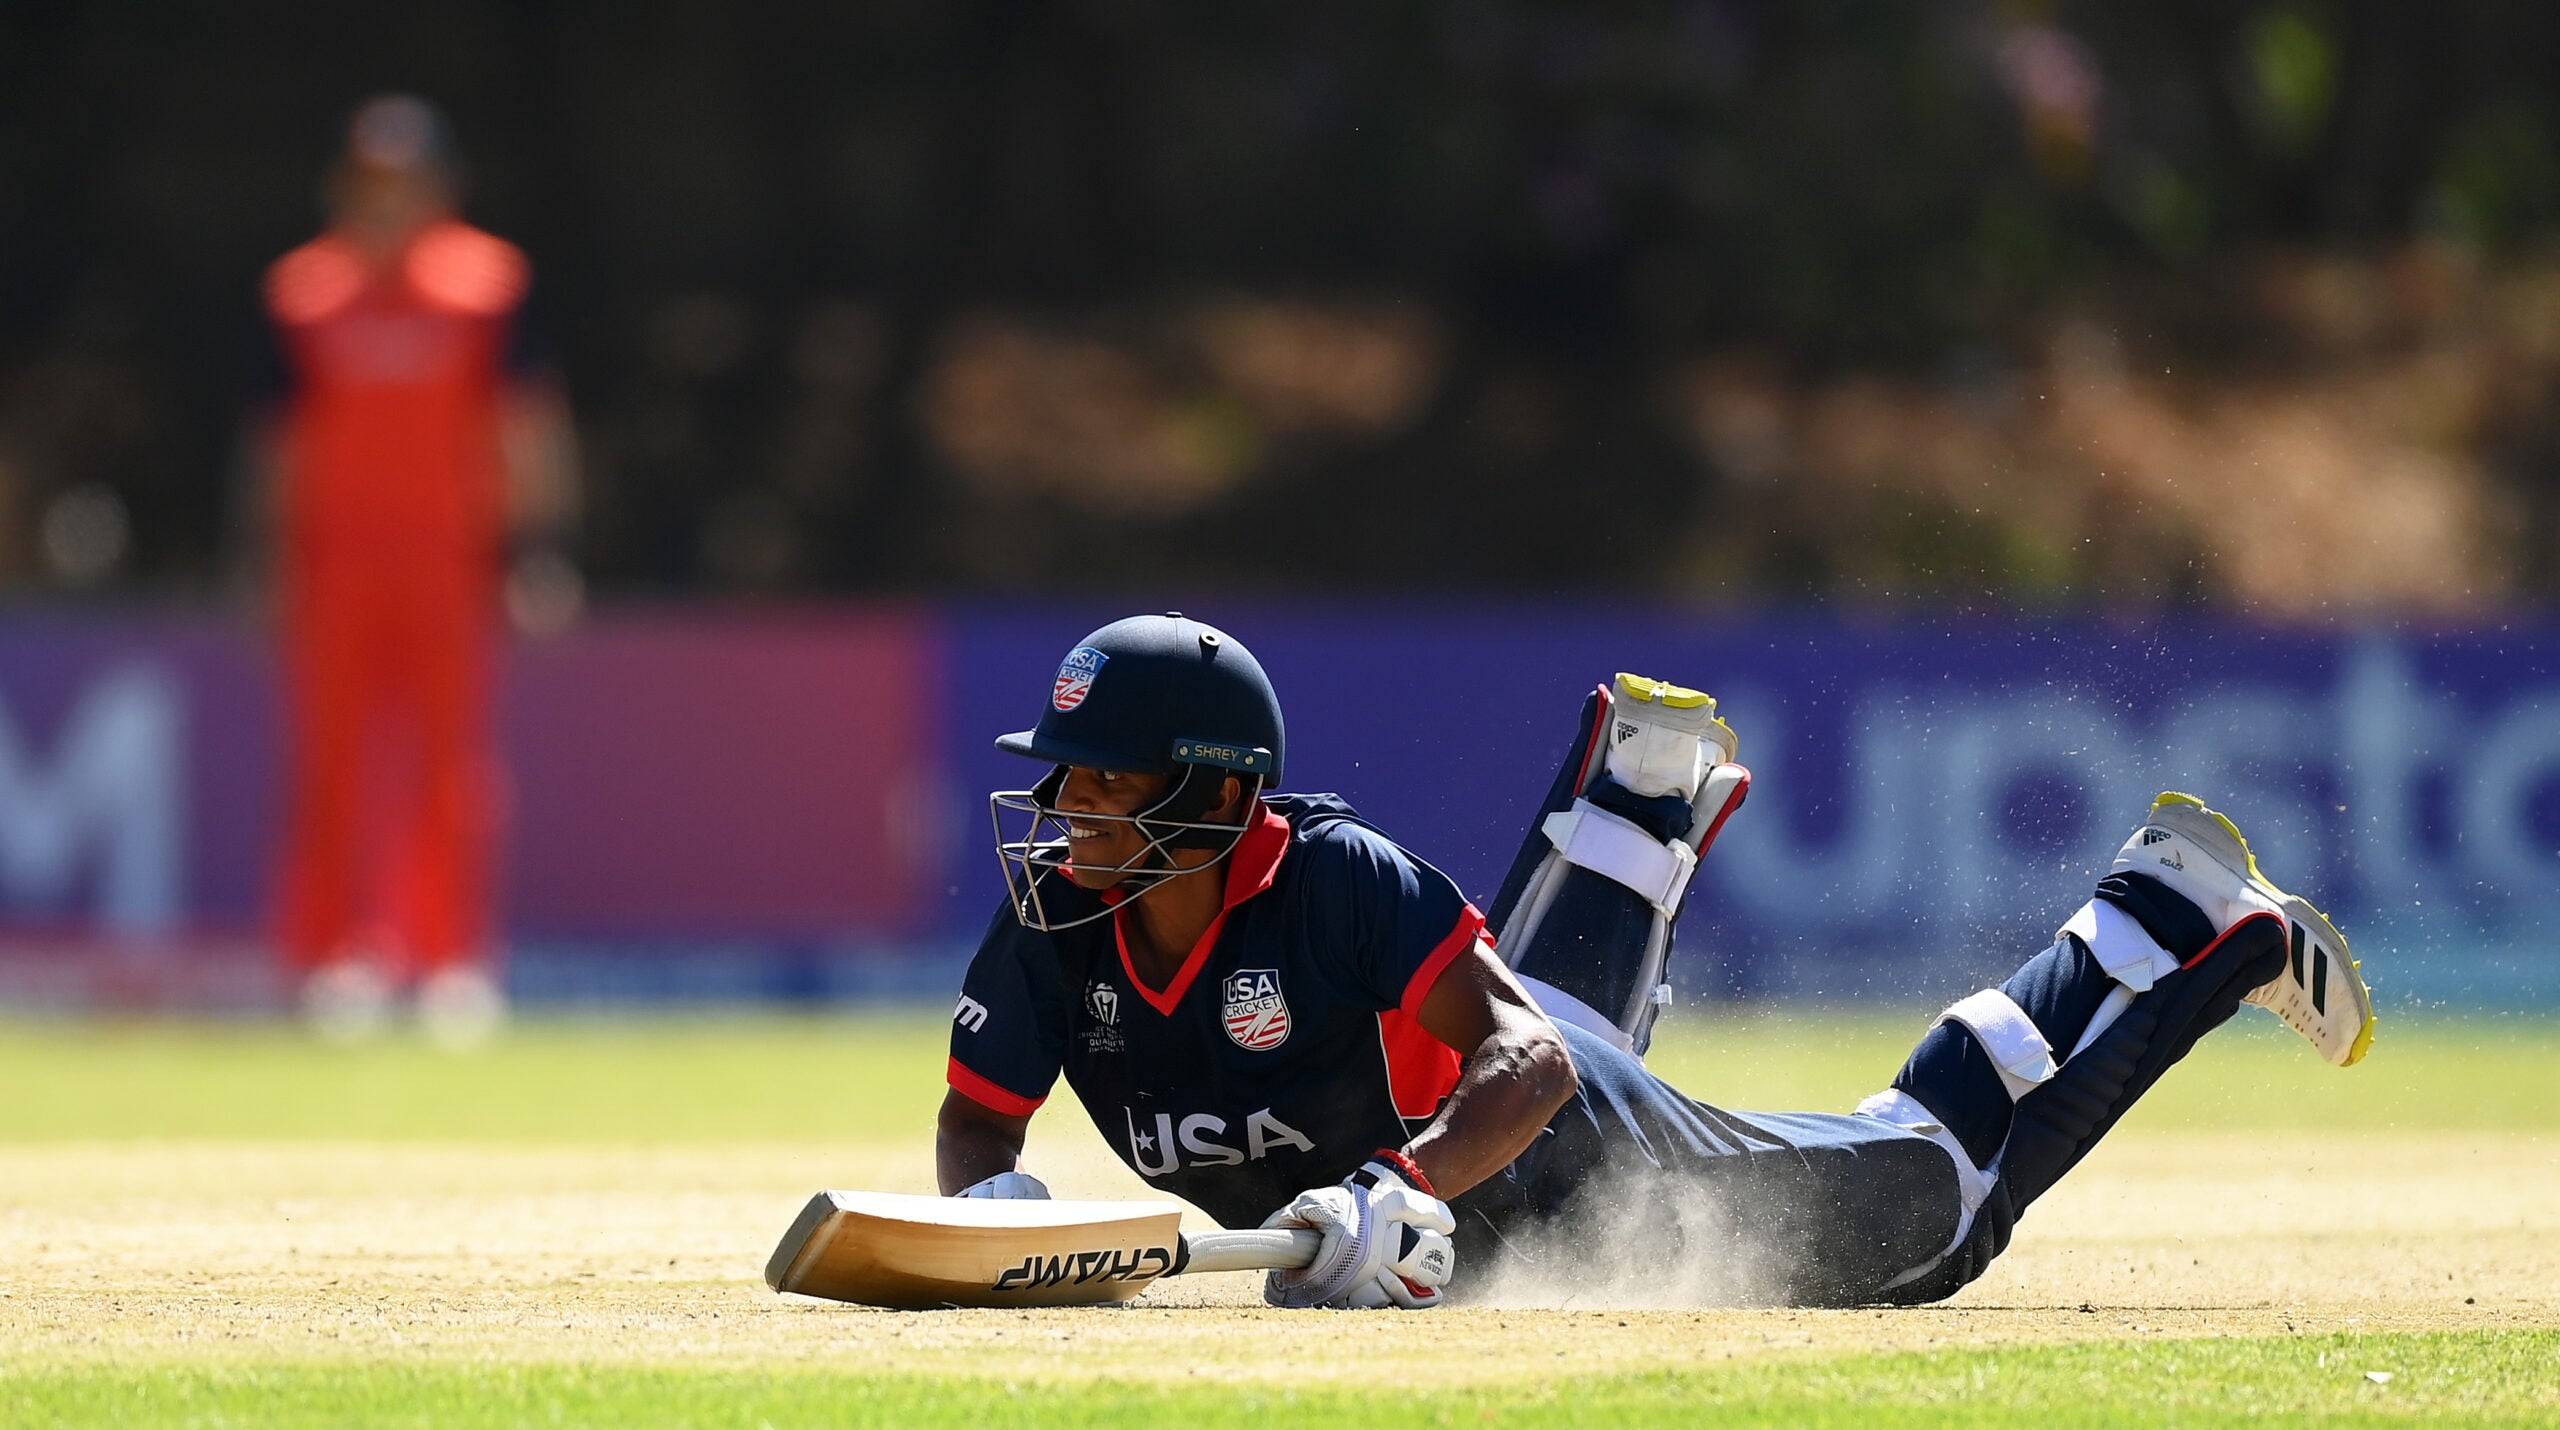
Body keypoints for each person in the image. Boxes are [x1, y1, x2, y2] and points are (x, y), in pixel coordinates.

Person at [941, 614, 2375, 1308]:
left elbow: (1535, 1061)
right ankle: (1630, 805)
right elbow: (975, 1119)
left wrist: (1401, 1184)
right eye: (1062, 779)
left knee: (1935, 1198)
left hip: (1581, 1152)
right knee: (1520, 998)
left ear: (1213, 792)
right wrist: (992, 1208)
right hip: (1473, 1119)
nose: (1068, 812)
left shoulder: (1330, 879)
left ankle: (2173, 916)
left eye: (1105, 783)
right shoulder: (1058, 922)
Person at [249, 95, 579, 1045]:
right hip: (334, 566)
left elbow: (527, 424)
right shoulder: (302, 292)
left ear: (441, 184)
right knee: (333, 766)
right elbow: (275, 443)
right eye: (371, 180)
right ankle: (336, 962)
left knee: (453, 770)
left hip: (450, 563)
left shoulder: (487, 285)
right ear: (346, 185)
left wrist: (540, 549)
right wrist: (262, 558)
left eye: (406, 179)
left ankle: (450, 966)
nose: (388, 199)